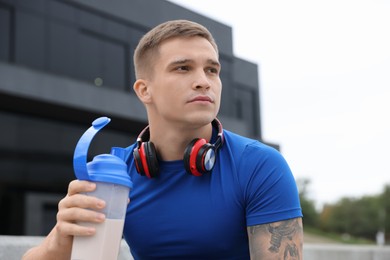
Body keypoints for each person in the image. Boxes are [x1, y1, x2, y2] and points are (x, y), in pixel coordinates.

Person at [23, 19, 303, 259]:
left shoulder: (259, 165)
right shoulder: (116, 172)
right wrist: (61, 237)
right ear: (145, 90)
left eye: (211, 70)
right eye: (183, 68)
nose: (203, 81)